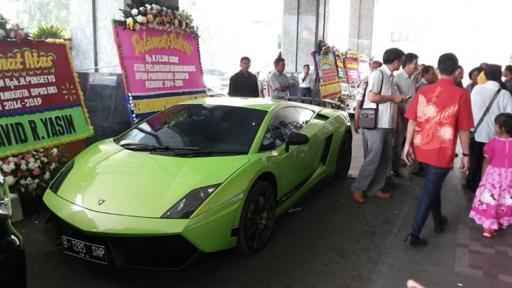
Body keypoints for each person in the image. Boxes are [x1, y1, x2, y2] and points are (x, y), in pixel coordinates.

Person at [403, 53, 474, 247]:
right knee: (429, 189)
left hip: (421, 147)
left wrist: (407, 145)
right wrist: (467, 155)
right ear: (457, 71)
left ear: (437, 69)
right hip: (441, 151)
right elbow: (464, 130)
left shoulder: (424, 91)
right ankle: (414, 234)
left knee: (431, 185)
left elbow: (412, 119)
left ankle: (439, 221)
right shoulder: (461, 95)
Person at [351, 48, 406, 204]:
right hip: (376, 124)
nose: (401, 64)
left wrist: (396, 104)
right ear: (396, 61)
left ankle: (375, 188)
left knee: (385, 158)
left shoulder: (390, 78)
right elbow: (372, 97)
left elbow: (389, 100)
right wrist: (393, 97)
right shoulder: (378, 75)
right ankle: (358, 188)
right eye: (401, 61)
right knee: (373, 158)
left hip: (386, 124)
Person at [465, 64, 512, 193]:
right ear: (499, 76)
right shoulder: (504, 94)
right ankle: (489, 187)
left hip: (477, 133)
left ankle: (472, 185)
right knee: (492, 164)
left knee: (475, 161)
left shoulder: (476, 90)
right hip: (496, 137)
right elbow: (509, 116)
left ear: (484, 75)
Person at [469, 113, 512, 238]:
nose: (495, 127)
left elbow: (487, 160)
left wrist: (483, 176)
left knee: (492, 198)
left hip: (494, 177)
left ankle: (488, 227)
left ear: (501, 128)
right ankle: (503, 221)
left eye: (496, 125)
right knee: (505, 198)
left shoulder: (493, 143)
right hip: (509, 176)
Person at [392, 53, 419, 177]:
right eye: (415, 63)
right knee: (397, 140)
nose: (416, 66)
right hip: (402, 115)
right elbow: (396, 100)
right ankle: (394, 167)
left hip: (412, 116)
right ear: (407, 64)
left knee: (408, 140)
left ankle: (405, 162)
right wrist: (404, 114)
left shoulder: (414, 77)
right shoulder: (397, 78)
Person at [354, 60, 383, 158]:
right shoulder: (365, 82)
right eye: (375, 68)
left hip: (378, 119)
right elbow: (358, 104)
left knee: (375, 150)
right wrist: (356, 121)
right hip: (367, 117)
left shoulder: (383, 80)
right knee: (368, 148)